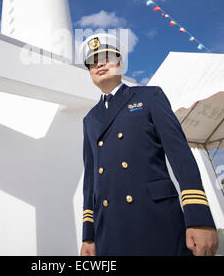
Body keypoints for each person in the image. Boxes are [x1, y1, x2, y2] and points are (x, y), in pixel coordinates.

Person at [79, 33, 218, 256]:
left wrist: (199, 216)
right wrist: (88, 235)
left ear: (120, 63)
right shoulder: (90, 119)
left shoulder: (150, 96)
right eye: (92, 62)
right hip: (109, 231)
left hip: (155, 219)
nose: (99, 64)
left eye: (106, 56)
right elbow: (90, 181)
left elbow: (181, 156)